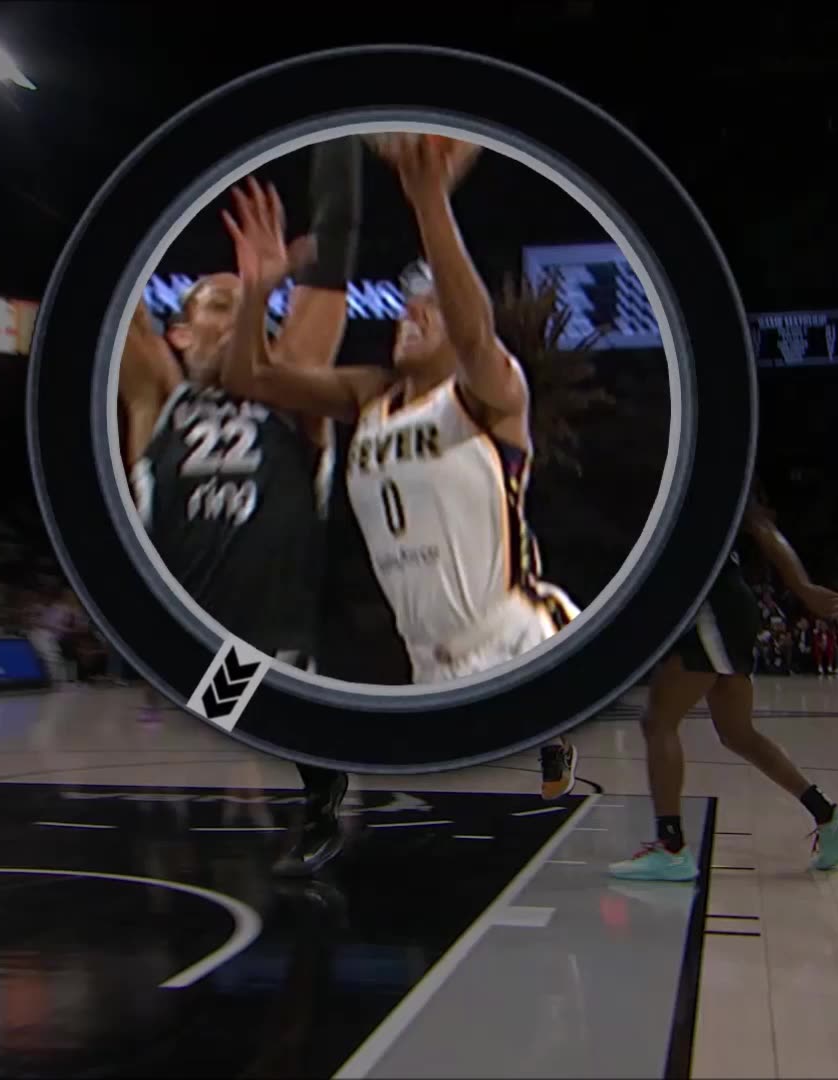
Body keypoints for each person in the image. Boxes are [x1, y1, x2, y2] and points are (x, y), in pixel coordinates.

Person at [216, 137, 581, 834]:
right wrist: (259, 292)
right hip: (425, 655)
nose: (408, 315)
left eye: (428, 310)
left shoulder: (491, 395)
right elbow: (247, 379)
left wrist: (429, 200)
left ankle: (548, 724)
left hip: (516, 635)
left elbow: (475, 336)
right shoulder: (369, 396)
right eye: (406, 308)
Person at [117, 140, 360, 876]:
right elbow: (101, 288)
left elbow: (338, 241)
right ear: (180, 335)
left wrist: (341, 124)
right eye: (215, 306)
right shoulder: (158, 395)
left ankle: (320, 792)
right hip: (183, 632)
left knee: (276, 714)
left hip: (271, 629)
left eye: (242, 305)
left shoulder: (291, 382)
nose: (231, 318)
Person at [609, 496, 838, 882]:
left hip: (711, 607)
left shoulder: (684, 472)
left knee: (658, 722)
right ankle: (830, 816)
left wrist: (804, 587)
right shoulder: (687, 474)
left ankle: (672, 848)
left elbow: (761, 526)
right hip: (727, 607)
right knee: (737, 733)